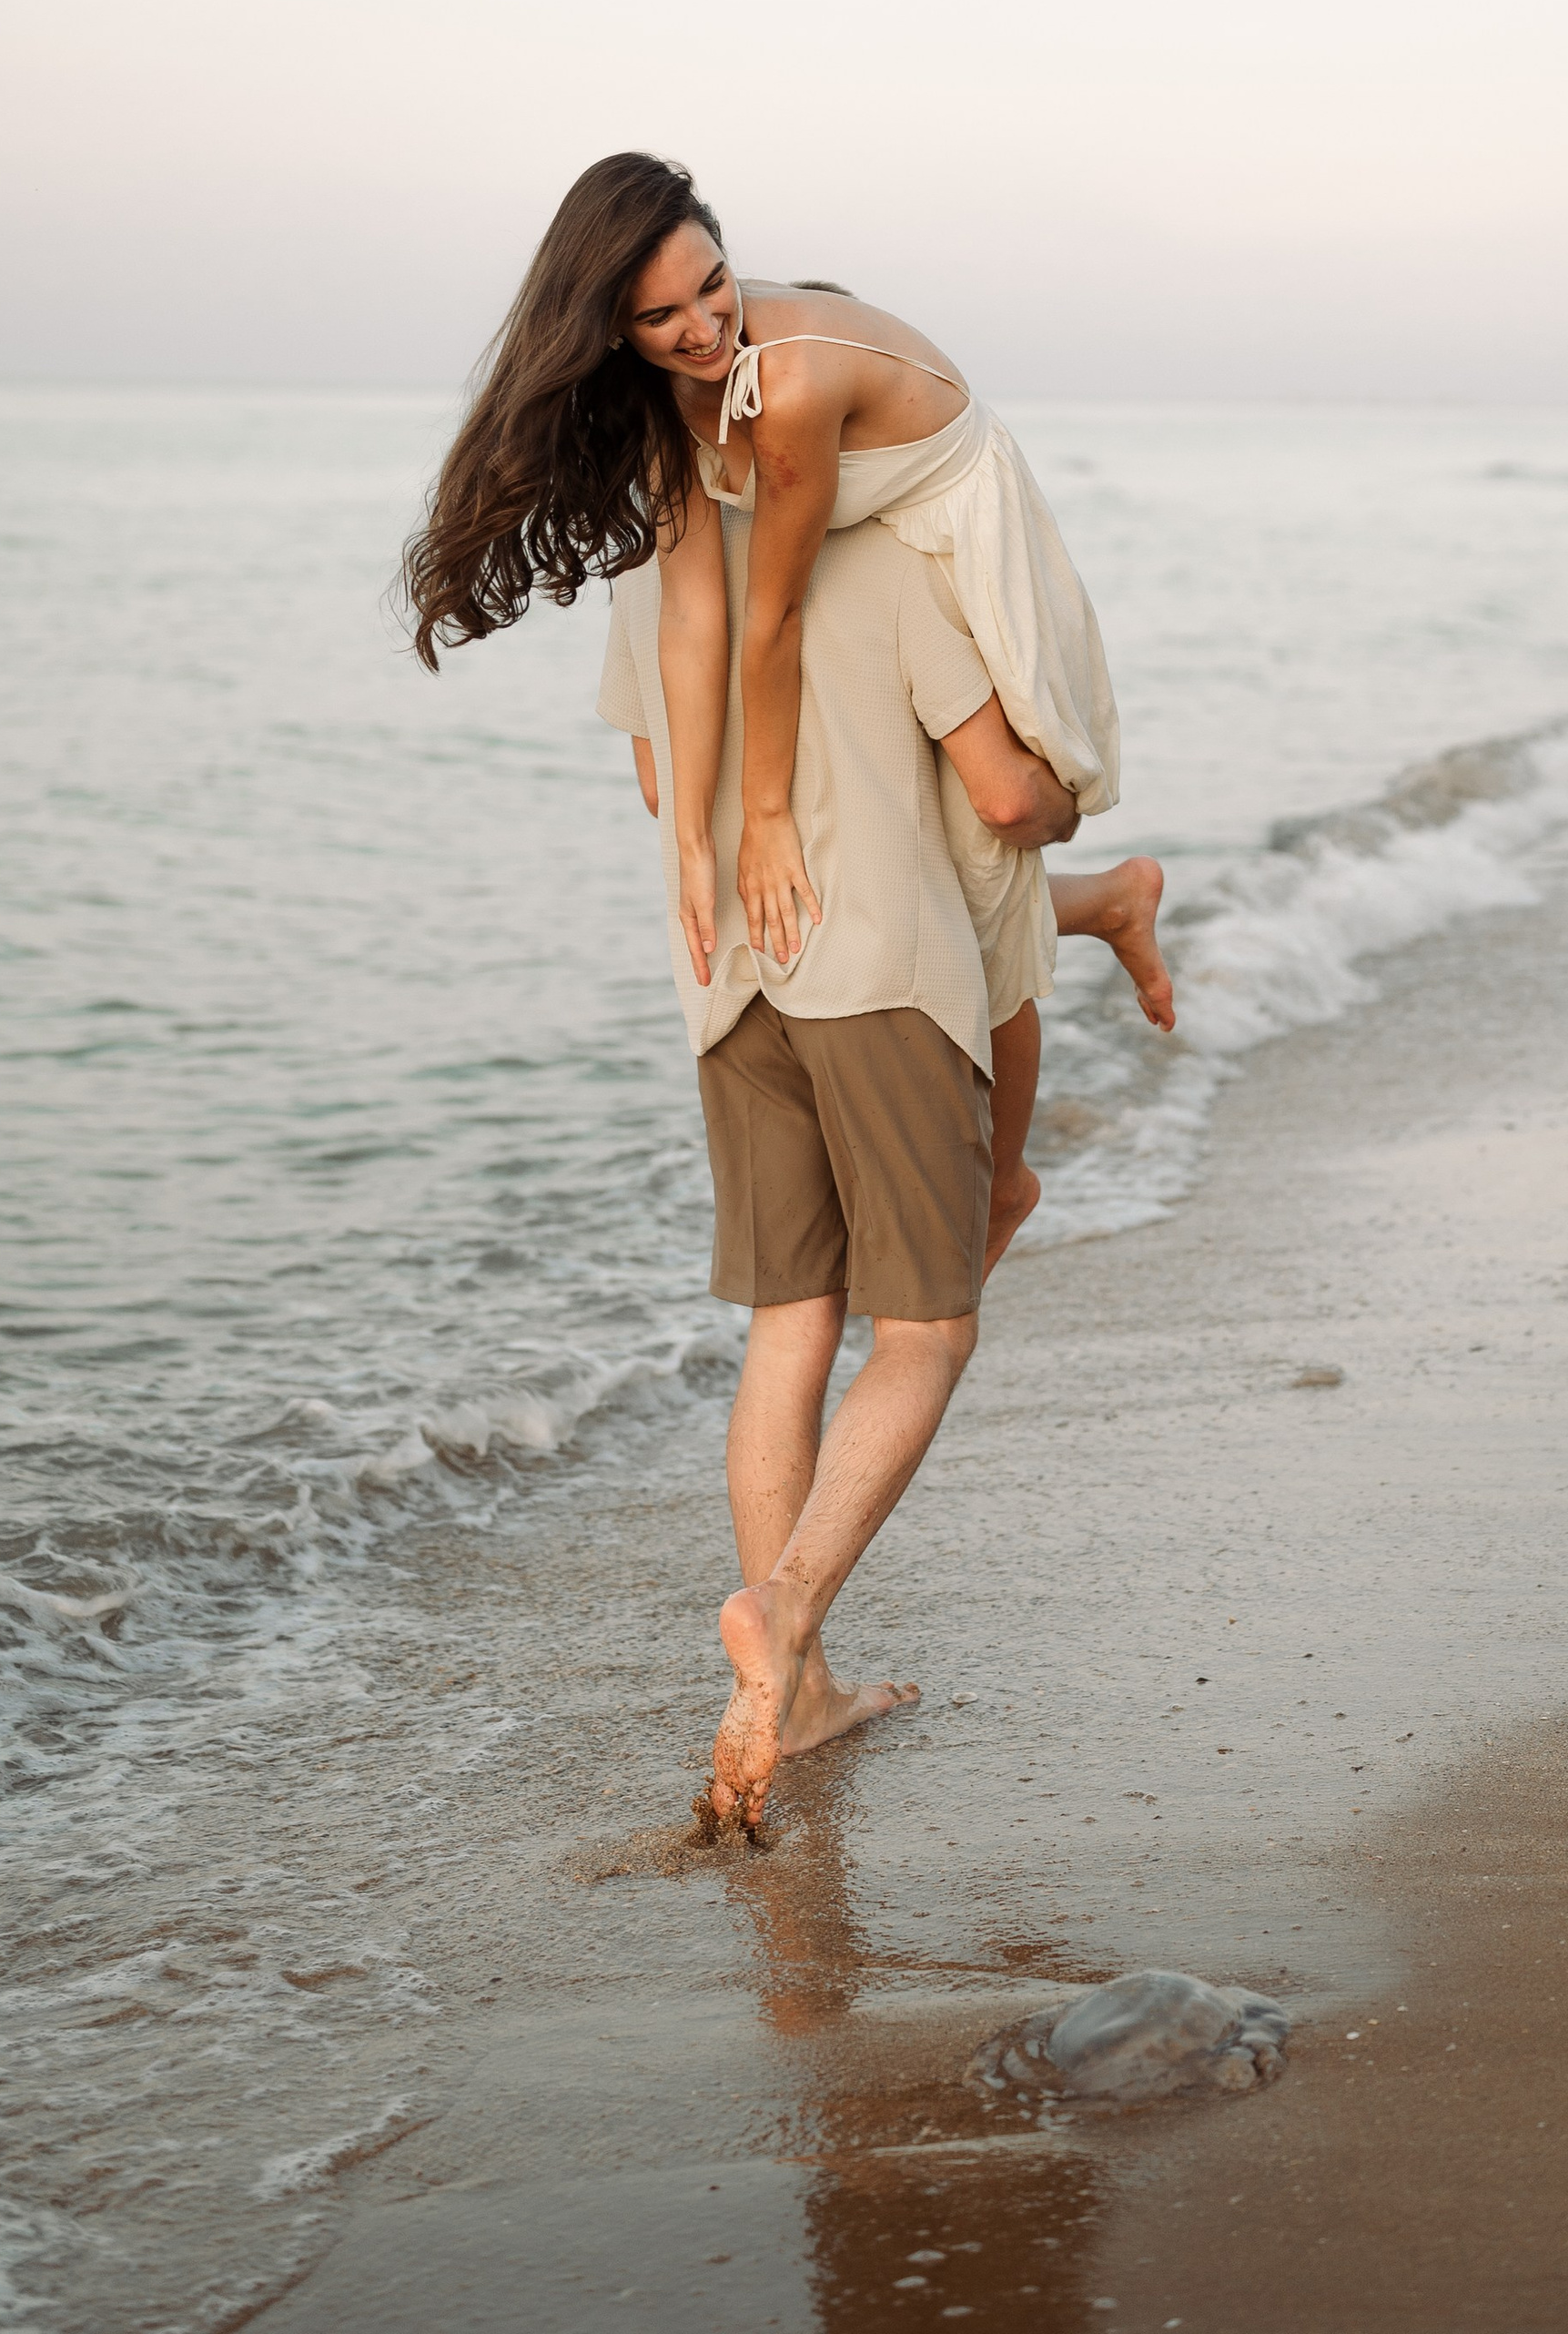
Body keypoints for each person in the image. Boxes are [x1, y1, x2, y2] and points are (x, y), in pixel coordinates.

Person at [403, 151, 1172, 1263]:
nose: (705, 327)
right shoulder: (663, 404)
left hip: (951, 523)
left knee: (1005, 811)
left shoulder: (792, 384)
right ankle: (1101, 909)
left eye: (714, 285)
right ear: (607, 326)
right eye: (660, 315)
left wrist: (764, 820)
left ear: (726, 248)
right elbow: (696, 625)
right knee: (903, 846)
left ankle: (1007, 1170)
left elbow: (771, 622)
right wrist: (689, 847)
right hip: (850, 535)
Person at [595, 494, 1076, 1829]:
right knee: (924, 1332)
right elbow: (1002, 794)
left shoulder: (658, 569)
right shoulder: (889, 558)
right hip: (877, 976)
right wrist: (1068, 792)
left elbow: (655, 783)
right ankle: (785, 1614)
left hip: (731, 983)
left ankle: (798, 1699)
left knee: (789, 1324)